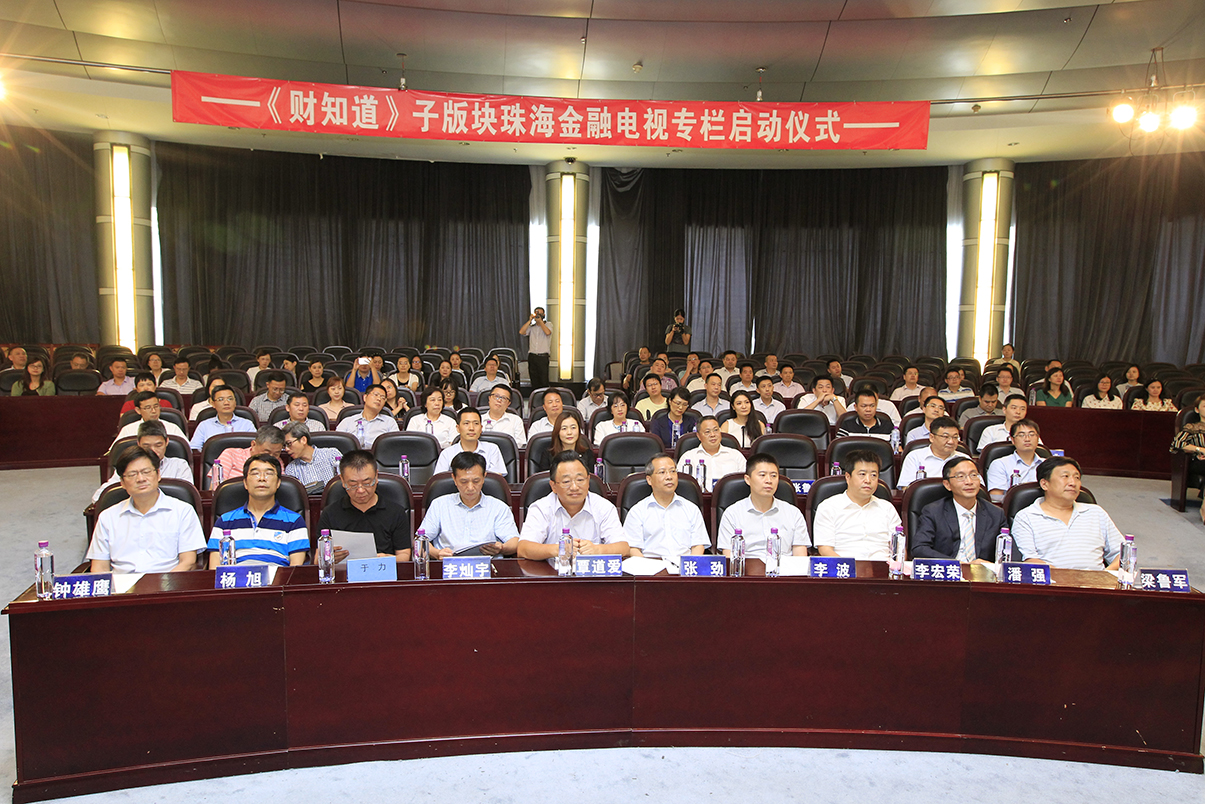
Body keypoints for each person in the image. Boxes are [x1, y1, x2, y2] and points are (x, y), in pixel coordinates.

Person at [87, 446, 206, 573]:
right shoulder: (108, 517)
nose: (141, 479)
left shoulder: (182, 511)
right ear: (122, 482)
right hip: (121, 583)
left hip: (168, 581)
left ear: (158, 474)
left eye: (146, 472)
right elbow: (99, 567)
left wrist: (165, 583)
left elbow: (188, 562)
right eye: (132, 474)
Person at [1011, 457, 1122, 571]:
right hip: (1052, 580)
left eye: (1077, 477)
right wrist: (1066, 578)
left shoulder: (1096, 513)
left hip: (1098, 580)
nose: (1073, 483)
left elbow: (1122, 553)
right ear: (1044, 484)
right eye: (1065, 476)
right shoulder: (1026, 517)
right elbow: (1030, 560)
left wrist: (1106, 575)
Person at [517, 450, 628, 559]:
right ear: (553, 486)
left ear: (588, 481)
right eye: (566, 482)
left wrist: (598, 550)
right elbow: (523, 549)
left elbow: (623, 548)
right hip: (552, 570)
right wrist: (557, 550)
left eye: (580, 480)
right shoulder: (541, 508)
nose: (574, 487)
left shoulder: (604, 507)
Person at [207, 454, 308, 568]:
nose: (262, 478)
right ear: (245, 483)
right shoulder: (224, 521)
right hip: (236, 577)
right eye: (255, 473)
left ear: (278, 483)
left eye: (269, 473)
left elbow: (295, 568)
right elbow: (214, 568)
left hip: (277, 577)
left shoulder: (294, 521)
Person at [911, 456, 1009, 563]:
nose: (969, 482)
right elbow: (919, 548)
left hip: (982, 571)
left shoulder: (995, 513)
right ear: (947, 485)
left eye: (973, 475)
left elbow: (1009, 552)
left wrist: (989, 565)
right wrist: (954, 563)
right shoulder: (934, 511)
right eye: (960, 476)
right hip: (948, 570)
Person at [421, 452, 519, 558]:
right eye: (464, 482)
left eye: (476, 481)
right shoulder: (439, 505)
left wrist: (502, 548)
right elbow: (420, 541)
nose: (470, 487)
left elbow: (515, 542)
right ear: (454, 479)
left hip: (487, 565)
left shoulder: (498, 507)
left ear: (484, 477)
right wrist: (437, 553)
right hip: (449, 564)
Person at [317, 449, 412, 559]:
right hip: (344, 569)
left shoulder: (396, 512)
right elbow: (317, 559)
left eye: (367, 483)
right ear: (342, 480)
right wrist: (328, 558)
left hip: (383, 568)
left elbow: (404, 555)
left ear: (376, 477)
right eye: (353, 485)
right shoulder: (330, 513)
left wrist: (388, 559)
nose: (361, 490)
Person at [715, 453, 809, 560]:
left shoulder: (793, 513)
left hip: (784, 569)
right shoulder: (732, 513)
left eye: (773, 476)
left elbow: (800, 558)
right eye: (762, 475)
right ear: (747, 479)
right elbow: (729, 557)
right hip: (746, 569)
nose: (769, 480)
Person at [813, 449, 902, 561]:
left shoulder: (887, 508)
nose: (868, 480)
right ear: (848, 477)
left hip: (884, 567)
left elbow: (899, 549)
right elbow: (825, 550)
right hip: (844, 568)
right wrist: (849, 567)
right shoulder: (828, 507)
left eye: (873, 475)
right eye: (862, 474)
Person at [624, 454, 709, 559]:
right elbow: (633, 548)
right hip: (650, 565)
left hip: (684, 565)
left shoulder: (691, 509)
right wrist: (646, 567)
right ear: (649, 480)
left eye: (673, 471)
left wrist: (690, 565)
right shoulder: (637, 511)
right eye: (662, 472)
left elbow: (698, 546)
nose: (669, 477)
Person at [93, 421, 193, 502]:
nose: (153, 450)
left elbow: (188, 497)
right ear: (138, 444)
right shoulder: (129, 467)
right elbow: (99, 497)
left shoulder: (179, 465)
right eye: (146, 446)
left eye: (158, 445)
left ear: (166, 442)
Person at [676, 416, 746, 492]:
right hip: (698, 498)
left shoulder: (736, 456)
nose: (712, 435)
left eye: (716, 430)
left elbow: (745, 482)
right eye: (707, 432)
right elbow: (681, 485)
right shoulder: (688, 457)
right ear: (699, 436)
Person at [207, 425, 286, 488]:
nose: (271, 457)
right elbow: (216, 487)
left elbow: (279, 487)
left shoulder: (278, 461)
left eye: (276, 453)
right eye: (266, 452)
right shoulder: (230, 454)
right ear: (253, 444)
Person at [433, 408, 506, 475]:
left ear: (481, 428)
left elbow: (496, 479)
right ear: (458, 428)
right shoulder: (447, 453)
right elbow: (440, 480)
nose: (471, 428)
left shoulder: (492, 449)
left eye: (476, 423)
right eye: (466, 423)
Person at [986, 418, 1045, 500]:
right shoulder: (1000, 464)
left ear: (1038, 438)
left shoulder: (1048, 465)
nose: (1027, 439)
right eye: (1021, 435)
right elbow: (996, 497)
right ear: (1013, 440)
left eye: (1031, 434)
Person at [898, 416, 962, 488]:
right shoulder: (915, 457)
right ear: (932, 437)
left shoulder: (964, 459)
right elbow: (906, 488)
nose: (951, 442)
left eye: (955, 437)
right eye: (945, 437)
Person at [1170, 395, 1205, 524]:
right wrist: (1199, 449)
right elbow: (1177, 444)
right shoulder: (1192, 427)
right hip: (1198, 461)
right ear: (1197, 410)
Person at [282, 423, 342, 493]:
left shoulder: (332, 454)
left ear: (303, 440)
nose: (286, 449)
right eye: (284, 445)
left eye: (289, 443)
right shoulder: (291, 469)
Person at [189, 386, 255, 449]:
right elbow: (195, 449)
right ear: (213, 404)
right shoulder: (204, 425)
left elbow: (256, 447)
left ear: (235, 402)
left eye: (230, 399)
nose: (226, 403)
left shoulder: (247, 424)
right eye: (221, 399)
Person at [336, 383, 399, 448]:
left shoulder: (389, 422)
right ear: (365, 397)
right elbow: (337, 444)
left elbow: (395, 446)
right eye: (376, 395)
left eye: (382, 397)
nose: (379, 399)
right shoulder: (347, 422)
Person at [113, 391, 187, 443]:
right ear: (138, 410)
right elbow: (115, 452)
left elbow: (186, 450)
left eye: (156, 406)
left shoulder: (172, 428)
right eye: (148, 407)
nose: (154, 411)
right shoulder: (128, 430)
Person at [478, 384, 526, 448]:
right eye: (496, 396)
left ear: (508, 403)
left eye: (503, 398)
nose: (499, 400)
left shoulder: (516, 420)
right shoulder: (478, 419)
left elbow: (519, 445)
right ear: (489, 398)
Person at [520, 306, 552, 390]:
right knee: (534, 380)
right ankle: (535, 396)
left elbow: (548, 332)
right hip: (532, 356)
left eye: (540, 314)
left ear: (544, 315)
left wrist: (540, 322)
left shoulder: (548, 324)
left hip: (543, 357)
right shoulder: (531, 327)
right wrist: (530, 320)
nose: (538, 316)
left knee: (543, 380)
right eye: (537, 314)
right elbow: (521, 332)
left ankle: (544, 395)